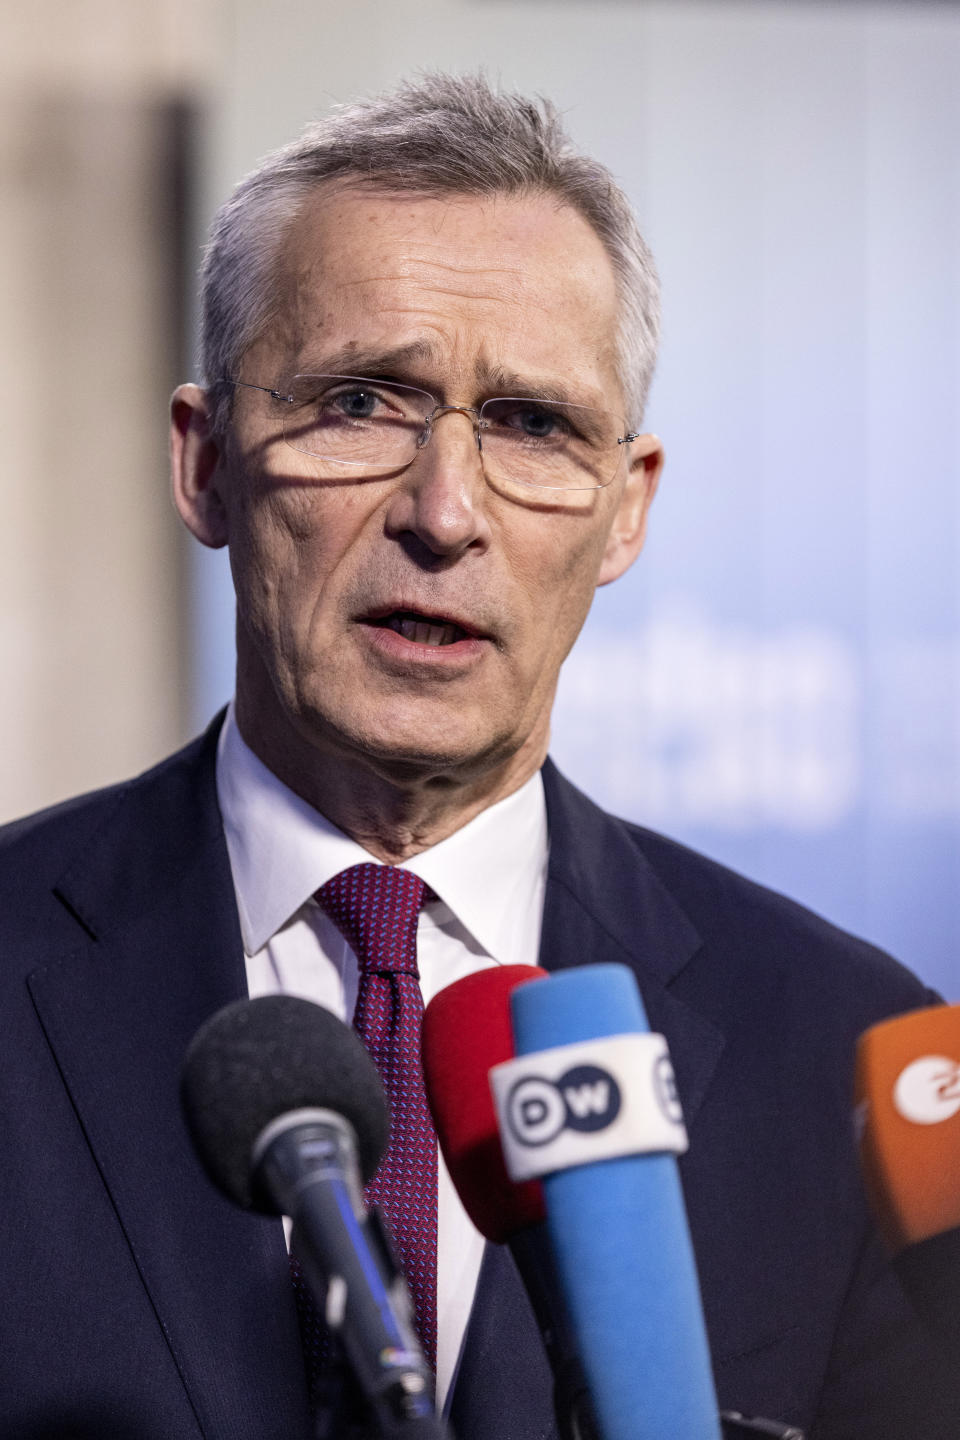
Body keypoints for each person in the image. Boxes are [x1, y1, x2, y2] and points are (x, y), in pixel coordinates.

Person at [0, 73, 954, 1440]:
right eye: (362, 402)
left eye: (532, 425)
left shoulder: (839, 1055)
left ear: (625, 516)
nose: (445, 514)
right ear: (205, 464)